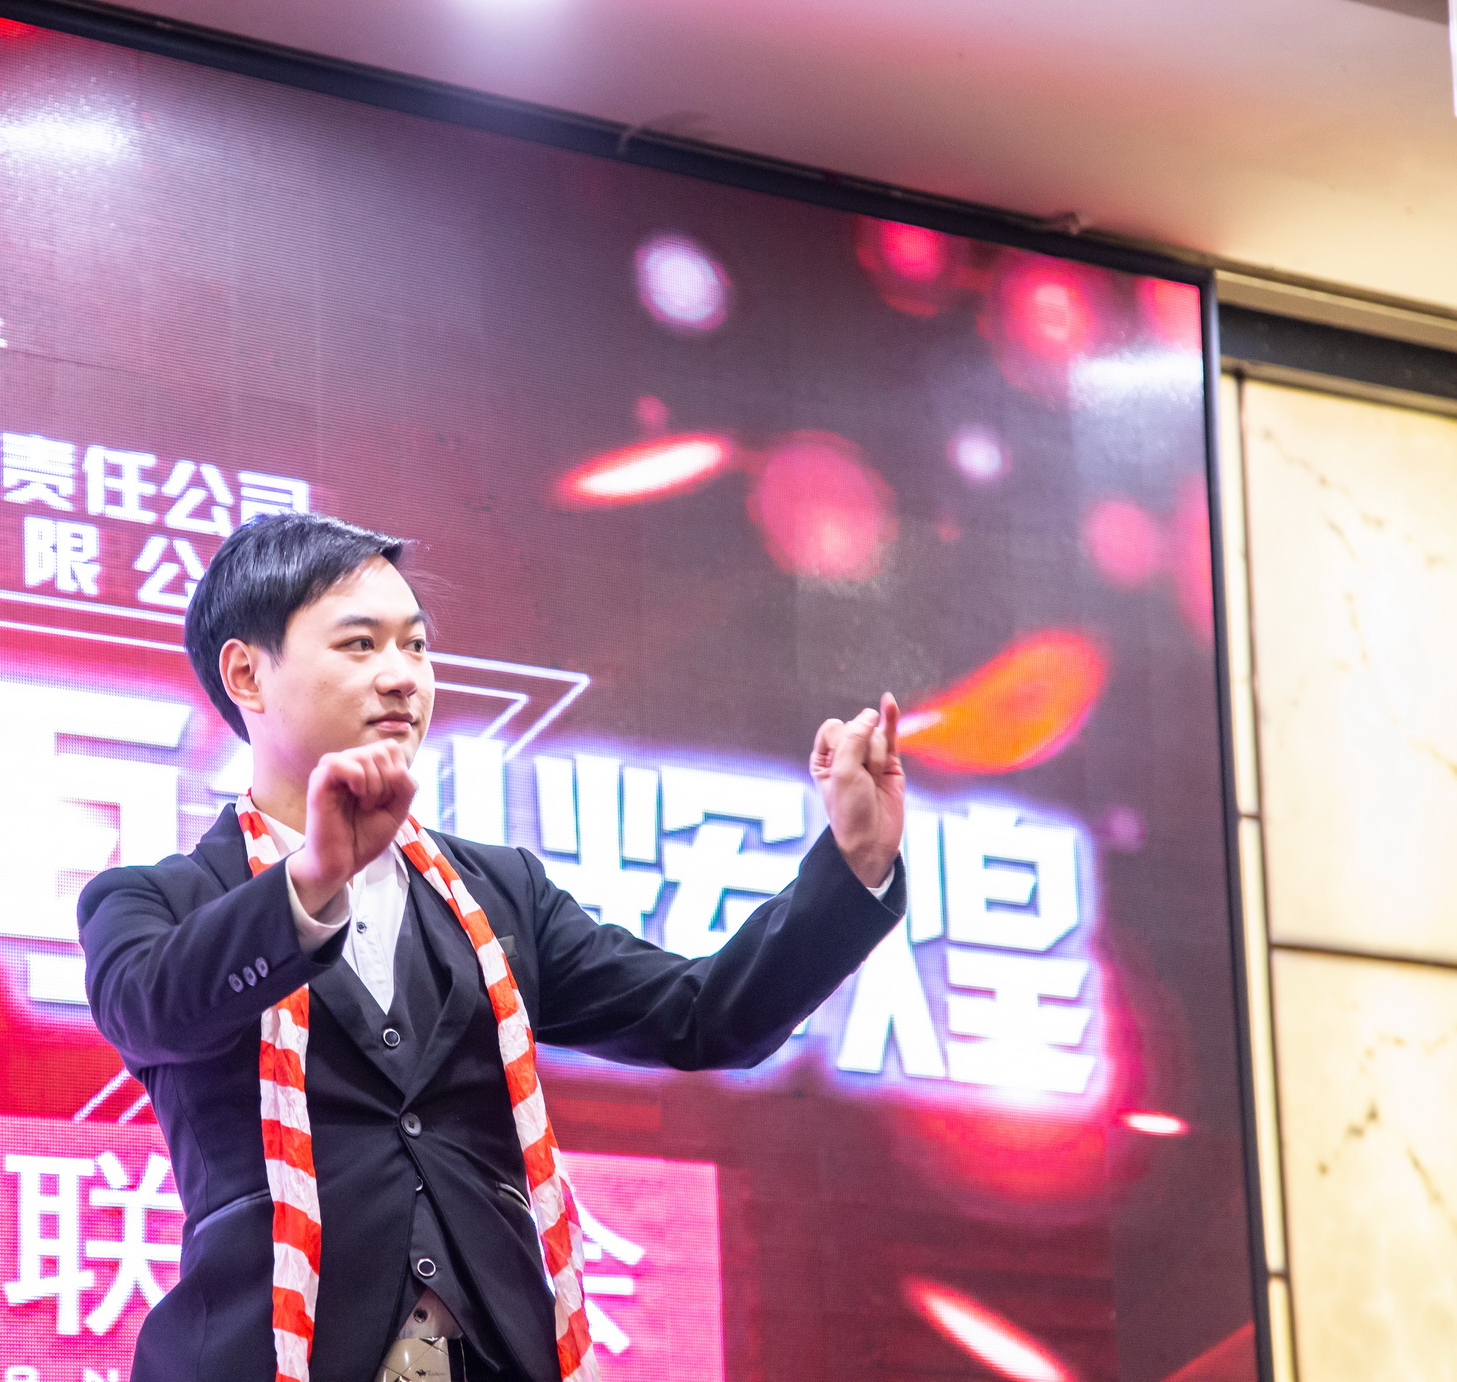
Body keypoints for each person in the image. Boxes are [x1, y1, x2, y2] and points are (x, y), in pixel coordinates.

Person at [78, 512, 907, 1382]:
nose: (402, 676)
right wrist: (311, 881)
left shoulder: (500, 892)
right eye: (360, 645)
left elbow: (705, 1016)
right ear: (247, 674)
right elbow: (155, 1009)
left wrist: (853, 866)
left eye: (416, 646)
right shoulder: (154, 900)